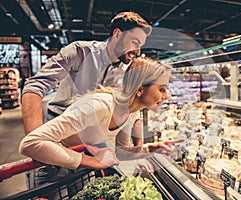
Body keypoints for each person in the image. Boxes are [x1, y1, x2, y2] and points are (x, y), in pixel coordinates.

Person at [21, 11, 152, 189]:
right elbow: (35, 86)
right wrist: (36, 138)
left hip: (91, 148)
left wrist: (138, 149)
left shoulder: (125, 70)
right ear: (117, 34)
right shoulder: (80, 51)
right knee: (49, 190)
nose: (137, 52)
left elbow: (131, 108)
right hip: (59, 137)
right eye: (135, 43)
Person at [19, 57, 182, 170]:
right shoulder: (99, 106)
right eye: (161, 89)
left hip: (72, 169)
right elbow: (30, 144)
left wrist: (149, 149)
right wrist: (93, 162)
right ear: (140, 89)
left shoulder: (130, 113)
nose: (166, 96)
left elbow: (119, 153)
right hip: (50, 170)